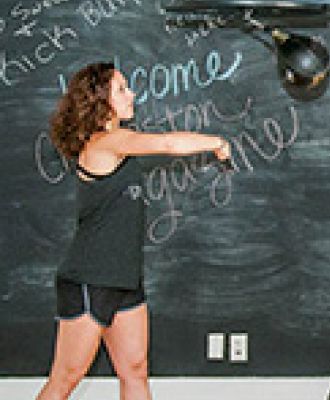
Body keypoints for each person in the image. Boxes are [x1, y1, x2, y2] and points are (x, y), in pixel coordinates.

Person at [38, 62, 231, 400]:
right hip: (91, 279)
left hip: (125, 279)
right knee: (65, 379)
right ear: (101, 100)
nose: (132, 95)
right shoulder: (105, 142)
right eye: (122, 89)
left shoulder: (118, 144)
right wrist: (216, 142)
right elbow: (168, 145)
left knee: (135, 371)